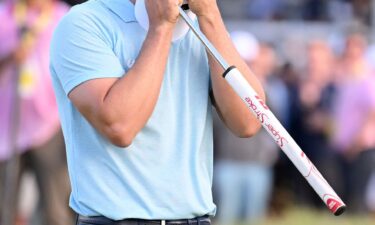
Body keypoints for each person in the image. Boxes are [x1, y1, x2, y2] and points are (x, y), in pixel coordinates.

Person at [50, 0, 265, 225]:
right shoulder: (83, 22)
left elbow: (248, 122)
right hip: (114, 220)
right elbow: (119, 126)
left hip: (195, 219)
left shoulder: (200, 22)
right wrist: (161, 28)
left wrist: (210, 15)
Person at [0, 0, 72, 225]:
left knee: (56, 207)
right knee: (5, 208)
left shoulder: (64, 16)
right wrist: (10, 58)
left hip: (50, 125)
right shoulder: (4, 14)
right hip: (7, 128)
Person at [213, 33, 286, 225]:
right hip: (226, 161)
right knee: (224, 218)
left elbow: (273, 124)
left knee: (253, 219)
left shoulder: (266, 88)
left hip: (256, 164)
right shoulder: (216, 85)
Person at [331, 33, 375, 213]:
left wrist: (356, 142)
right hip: (345, 148)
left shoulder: (367, 80)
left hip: (360, 148)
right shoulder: (346, 79)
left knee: (357, 202)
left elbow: (372, 112)